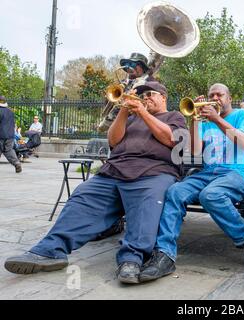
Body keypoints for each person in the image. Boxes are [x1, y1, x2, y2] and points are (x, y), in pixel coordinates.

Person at [4, 82, 187, 284]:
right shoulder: (131, 117)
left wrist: (143, 113)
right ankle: (50, 250)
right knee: (82, 197)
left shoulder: (174, 117)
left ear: (163, 97)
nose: (145, 98)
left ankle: (131, 259)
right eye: (142, 95)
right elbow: (114, 141)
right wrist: (124, 112)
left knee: (146, 206)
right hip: (115, 170)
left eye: (150, 94)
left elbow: (172, 140)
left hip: (153, 172)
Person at [138, 83, 244, 283]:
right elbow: (195, 151)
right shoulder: (205, 122)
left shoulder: (241, 115)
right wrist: (195, 120)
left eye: (219, 95)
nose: (215, 98)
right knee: (175, 192)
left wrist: (217, 119)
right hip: (209, 173)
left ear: (229, 98)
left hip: (240, 173)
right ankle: (165, 254)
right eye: (211, 94)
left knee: (210, 195)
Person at [98, 52, 158, 133]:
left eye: (133, 64)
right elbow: (110, 105)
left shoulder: (151, 83)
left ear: (142, 67)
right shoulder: (122, 83)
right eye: (127, 64)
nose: (129, 67)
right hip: (119, 128)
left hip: (139, 128)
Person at [0, 96, 22, 173]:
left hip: (1, 134)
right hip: (10, 135)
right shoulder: (10, 111)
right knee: (9, 150)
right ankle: (16, 163)